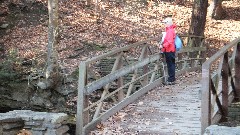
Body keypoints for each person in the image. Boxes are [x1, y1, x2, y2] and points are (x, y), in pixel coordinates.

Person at [159, 17, 176, 85]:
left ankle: (171, 79)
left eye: (165, 23)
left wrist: (162, 46)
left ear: (168, 23)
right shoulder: (171, 30)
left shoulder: (170, 31)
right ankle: (172, 79)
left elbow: (169, 41)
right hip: (170, 49)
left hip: (169, 50)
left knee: (170, 64)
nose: (164, 24)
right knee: (171, 64)